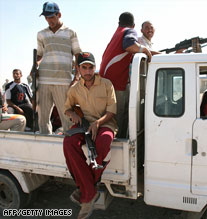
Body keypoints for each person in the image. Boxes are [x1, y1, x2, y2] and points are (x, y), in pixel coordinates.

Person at [63, 52, 117, 219]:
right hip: (84, 124)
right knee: (68, 143)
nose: (87, 71)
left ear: (95, 67)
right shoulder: (74, 89)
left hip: (105, 123)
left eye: (90, 67)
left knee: (104, 141)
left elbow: (112, 111)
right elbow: (67, 108)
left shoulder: (106, 84)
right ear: (78, 69)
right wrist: (73, 114)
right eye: (84, 67)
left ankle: (85, 192)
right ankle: (90, 190)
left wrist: (98, 123)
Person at [99, 12, 152, 138]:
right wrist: (145, 50)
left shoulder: (118, 33)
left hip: (105, 81)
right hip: (116, 84)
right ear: (133, 25)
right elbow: (129, 45)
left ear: (119, 23)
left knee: (107, 116)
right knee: (120, 117)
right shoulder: (129, 31)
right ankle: (120, 144)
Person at [36, 1, 82, 134]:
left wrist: (77, 77)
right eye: (46, 17)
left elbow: (77, 55)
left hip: (63, 81)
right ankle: (45, 150)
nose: (48, 20)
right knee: (42, 120)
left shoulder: (70, 33)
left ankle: (69, 148)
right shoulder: (41, 34)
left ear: (59, 15)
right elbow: (39, 55)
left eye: (51, 16)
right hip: (44, 80)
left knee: (67, 119)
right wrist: (35, 65)